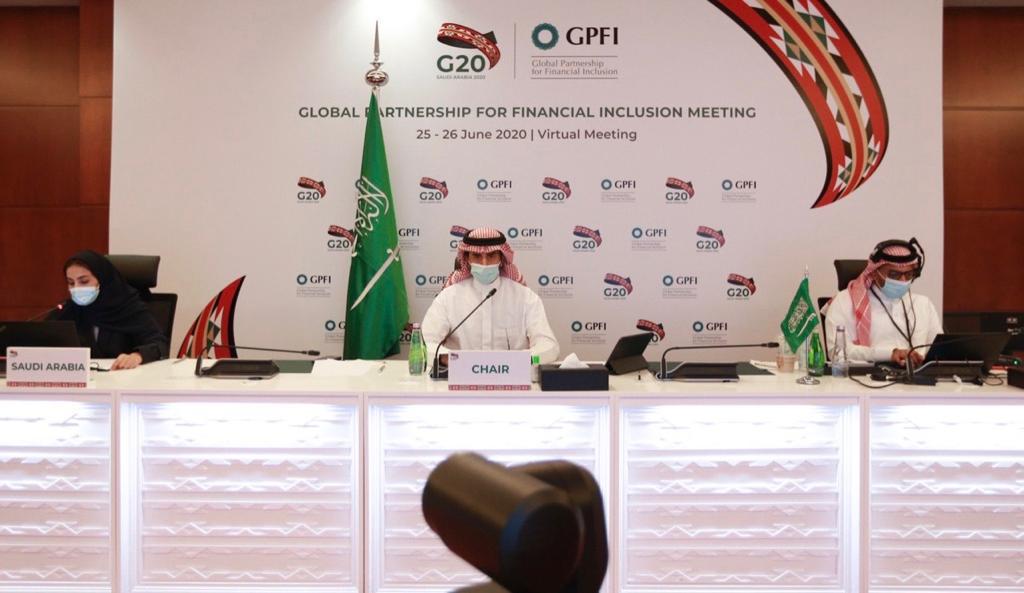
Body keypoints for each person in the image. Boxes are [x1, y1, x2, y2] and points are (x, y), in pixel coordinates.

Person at [421, 228, 559, 369]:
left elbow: (549, 346)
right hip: (460, 376)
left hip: (513, 378)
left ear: (501, 258)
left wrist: (525, 359)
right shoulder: (448, 298)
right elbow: (425, 343)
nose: (484, 263)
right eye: (476, 255)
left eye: (491, 255)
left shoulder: (525, 298)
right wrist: (448, 359)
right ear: (467, 258)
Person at [825, 238, 942, 365]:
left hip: (919, 376)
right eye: (894, 274)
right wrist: (889, 354)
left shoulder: (923, 304)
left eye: (908, 274)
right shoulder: (844, 302)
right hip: (868, 376)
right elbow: (837, 352)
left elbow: (940, 351)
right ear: (875, 273)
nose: (903, 281)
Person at [56, 250, 169, 370]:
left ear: (102, 279)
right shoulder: (70, 310)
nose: (76, 288)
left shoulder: (130, 308)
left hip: (125, 377)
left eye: (84, 281)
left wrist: (137, 356)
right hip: (84, 378)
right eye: (71, 283)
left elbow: (160, 344)